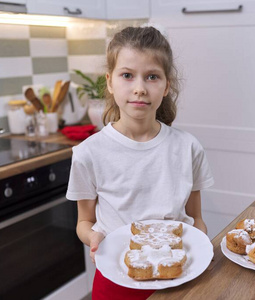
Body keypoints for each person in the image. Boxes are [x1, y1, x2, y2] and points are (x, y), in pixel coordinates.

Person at [66, 26, 214, 300]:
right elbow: (84, 222)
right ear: (110, 82)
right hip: (115, 281)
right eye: (127, 75)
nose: (139, 88)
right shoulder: (89, 153)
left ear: (167, 85)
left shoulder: (188, 147)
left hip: (179, 279)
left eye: (152, 77)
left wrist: (200, 244)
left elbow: (196, 218)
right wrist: (93, 238)